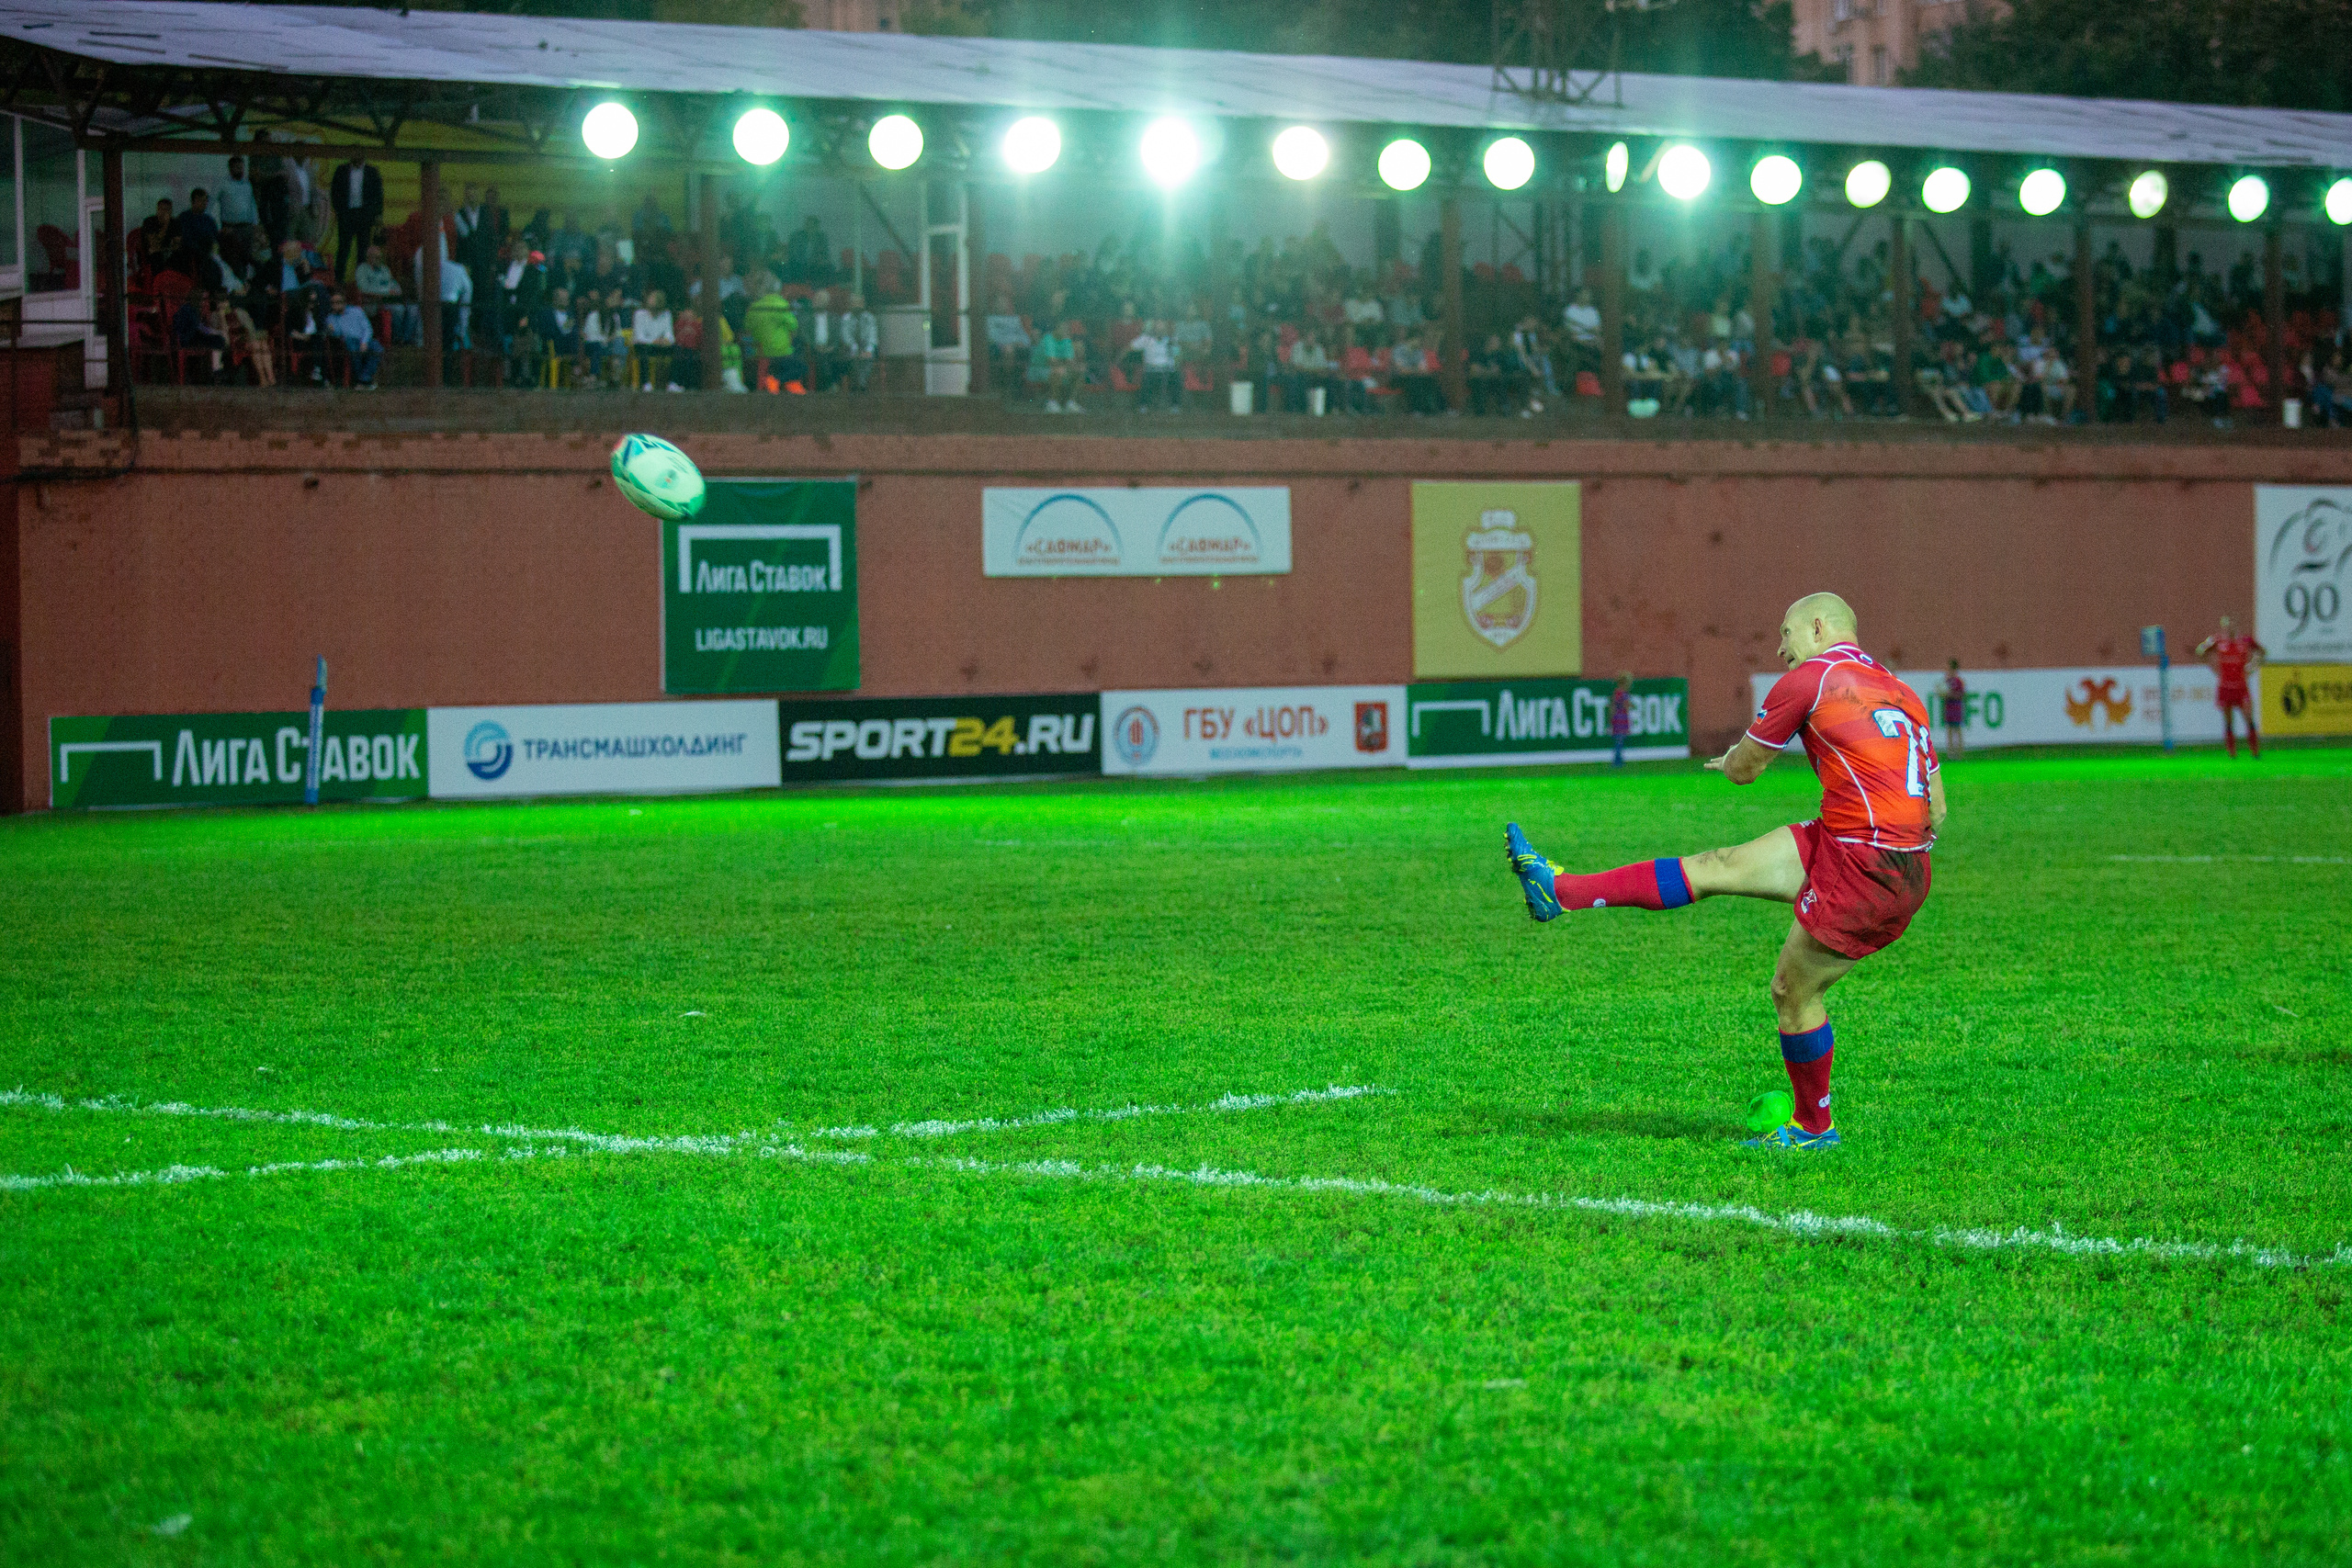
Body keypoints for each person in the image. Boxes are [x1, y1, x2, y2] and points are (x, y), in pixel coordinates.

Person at [1503, 592, 1945, 1151]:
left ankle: (1814, 1128)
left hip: (1864, 863)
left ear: (1817, 627)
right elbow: (1937, 805)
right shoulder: (1902, 692)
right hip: (1868, 846)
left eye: (1786, 633)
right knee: (1716, 866)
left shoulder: (1809, 680)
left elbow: (1745, 770)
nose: (1782, 648)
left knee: (1791, 992)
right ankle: (1557, 890)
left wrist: (1731, 759)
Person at [2194, 615, 2267, 759]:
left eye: (2233, 625)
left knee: (2248, 718)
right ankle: (2232, 753)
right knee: (2228, 721)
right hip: (2225, 687)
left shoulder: (2245, 641)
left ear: (2237, 626)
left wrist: (2253, 666)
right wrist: (2213, 667)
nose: (2230, 628)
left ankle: (2255, 752)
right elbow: (2201, 651)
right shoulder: (2218, 641)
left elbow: (2262, 652)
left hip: (2241, 687)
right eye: (2227, 626)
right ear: (2223, 627)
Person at [328, 152, 383, 280]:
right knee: (343, 249)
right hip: (347, 214)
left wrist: (377, 214)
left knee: (363, 251)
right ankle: (339, 281)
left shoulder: (372, 172)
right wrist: (339, 210)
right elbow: (334, 191)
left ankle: (361, 282)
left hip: (364, 215)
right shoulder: (342, 170)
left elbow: (378, 194)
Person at [322, 291, 382, 389]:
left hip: (363, 338)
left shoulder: (357, 311)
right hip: (348, 341)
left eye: (338, 302)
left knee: (377, 348)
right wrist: (330, 330)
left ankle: (364, 379)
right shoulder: (331, 318)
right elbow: (336, 334)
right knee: (353, 349)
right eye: (333, 303)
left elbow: (367, 328)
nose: (336, 305)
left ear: (344, 302)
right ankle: (364, 380)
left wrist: (364, 342)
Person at [1939, 659, 1967, 754]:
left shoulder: (1958, 681)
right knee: (1949, 730)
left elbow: (1961, 694)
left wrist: (1949, 694)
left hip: (1956, 707)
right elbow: (1942, 693)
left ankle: (1959, 751)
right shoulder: (1946, 681)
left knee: (1957, 729)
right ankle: (1950, 752)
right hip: (1948, 707)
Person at [1608, 672, 1634, 768]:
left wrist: (1611, 719)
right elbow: (1626, 705)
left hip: (1616, 719)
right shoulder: (1623, 694)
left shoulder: (1616, 693)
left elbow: (1613, 706)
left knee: (1618, 740)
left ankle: (1618, 759)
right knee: (1620, 740)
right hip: (1622, 719)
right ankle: (1617, 761)